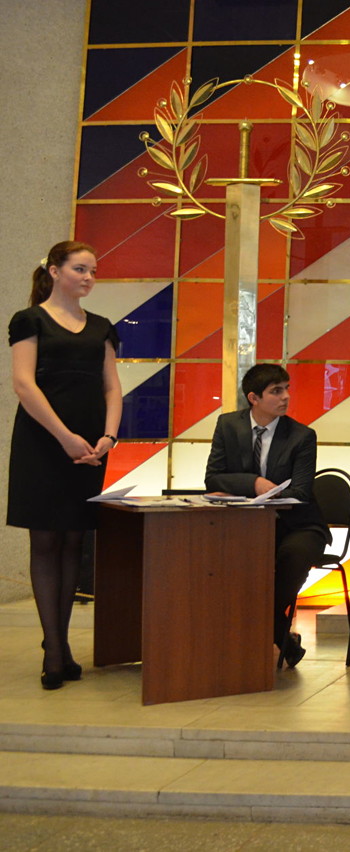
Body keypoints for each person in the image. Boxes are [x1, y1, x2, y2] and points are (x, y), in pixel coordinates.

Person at [8, 241, 122, 690]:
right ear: (54, 271)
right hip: (43, 440)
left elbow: (112, 388)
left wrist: (108, 438)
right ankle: (54, 650)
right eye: (80, 269)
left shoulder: (102, 327)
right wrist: (64, 437)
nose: (89, 277)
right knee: (45, 540)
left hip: (90, 444)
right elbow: (24, 384)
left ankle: (61, 644)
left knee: (75, 540)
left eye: (93, 271)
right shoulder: (30, 319)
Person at [205, 363, 329, 667]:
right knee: (223, 560)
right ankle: (282, 637)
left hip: (298, 524)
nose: (286, 396)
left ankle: (263, 627)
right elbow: (213, 478)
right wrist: (255, 483)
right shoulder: (227, 425)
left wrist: (259, 493)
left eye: (287, 389)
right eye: (276, 391)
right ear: (254, 398)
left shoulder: (302, 436)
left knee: (294, 554)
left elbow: (300, 492)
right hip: (247, 524)